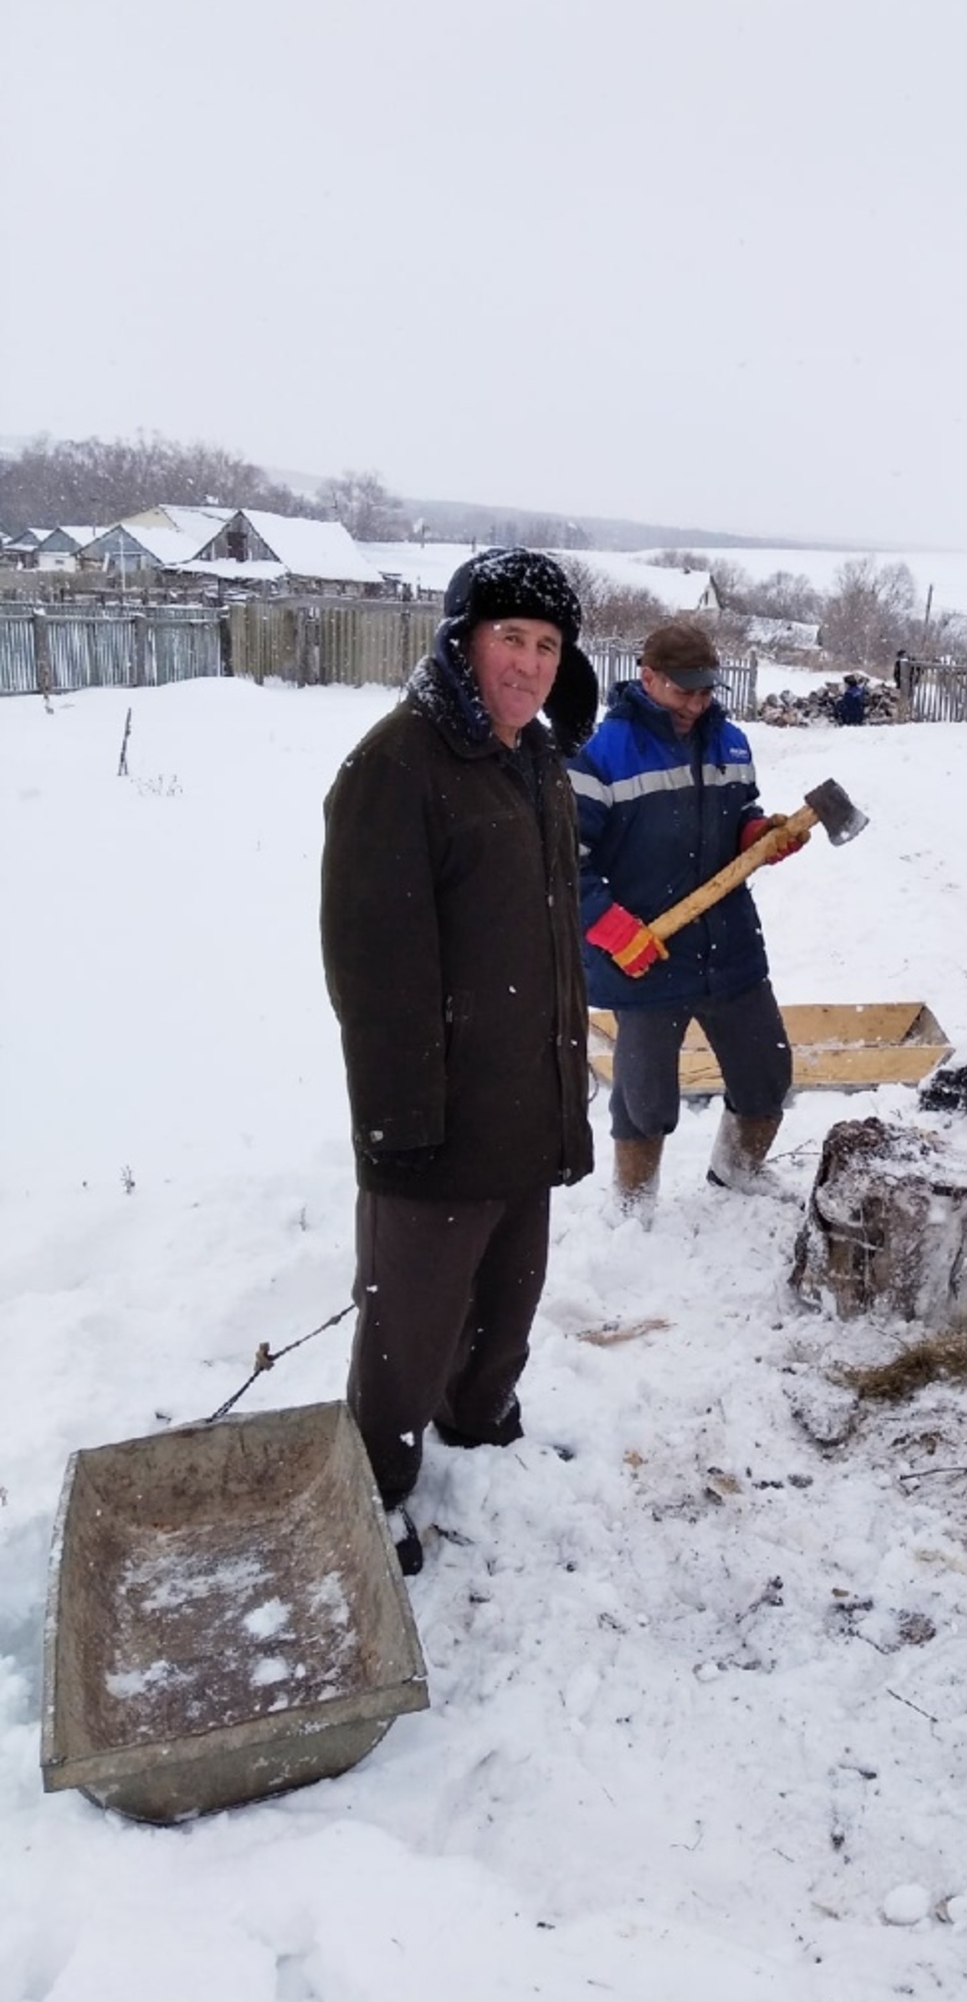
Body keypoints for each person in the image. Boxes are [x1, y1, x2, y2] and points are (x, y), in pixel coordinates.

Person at [320, 548, 598, 1577]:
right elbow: (372, 966)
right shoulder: (398, 765)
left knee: (509, 1294)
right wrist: (400, 1126)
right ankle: (378, 1482)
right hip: (436, 1113)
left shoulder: (537, 760)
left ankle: (478, 1419)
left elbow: (546, 933)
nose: (529, 663)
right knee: (412, 1320)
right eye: (509, 637)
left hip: (527, 1095)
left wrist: (566, 1080)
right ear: (462, 641)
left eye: (547, 644)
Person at [568, 619, 802, 1213]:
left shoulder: (732, 742)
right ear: (647, 677)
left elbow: (739, 814)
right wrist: (611, 927)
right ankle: (632, 1201)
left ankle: (738, 1171)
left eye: (706, 690)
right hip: (647, 951)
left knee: (766, 1073)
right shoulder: (602, 755)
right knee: (644, 1097)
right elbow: (565, 861)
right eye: (684, 690)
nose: (697, 704)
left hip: (729, 944)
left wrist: (758, 835)